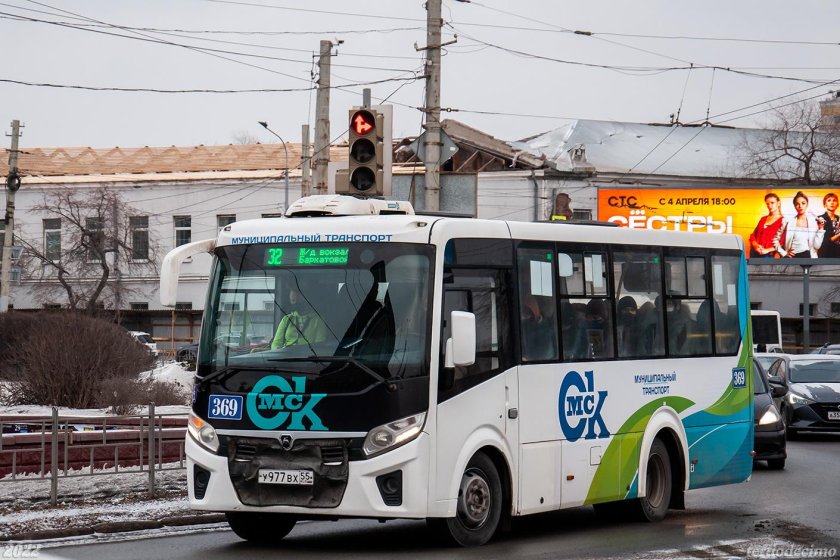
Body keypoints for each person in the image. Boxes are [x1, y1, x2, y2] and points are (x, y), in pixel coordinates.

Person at [775, 191, 825, 258]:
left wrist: (821, 228)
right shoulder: (788, 221)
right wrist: (784, 253)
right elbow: (775, 239)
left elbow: (817, 246)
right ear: (794, 206)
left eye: (803, 203)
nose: (800, 206)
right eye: (797, 204)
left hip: (808, 257)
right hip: (792, 257)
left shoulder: (814, 222)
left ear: (807, 204)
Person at [748, 193, 784, 258]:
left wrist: (767, 250)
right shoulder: (763, 219)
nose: (770, 206)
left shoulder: (783, 221)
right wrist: (756, 245)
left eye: (772, 203)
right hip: (755, 253)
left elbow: (783, 242)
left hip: (769, 255)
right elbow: (753, 235)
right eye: (767, 204)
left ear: (778, 203)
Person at [817, 192, 840, 259]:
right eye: (829, 200)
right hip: (825, 255)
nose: (832, 203)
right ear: (824, 204)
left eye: (834, 200)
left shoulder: (839, 218)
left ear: (837, 204)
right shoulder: (820, 219)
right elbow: (823, 242)